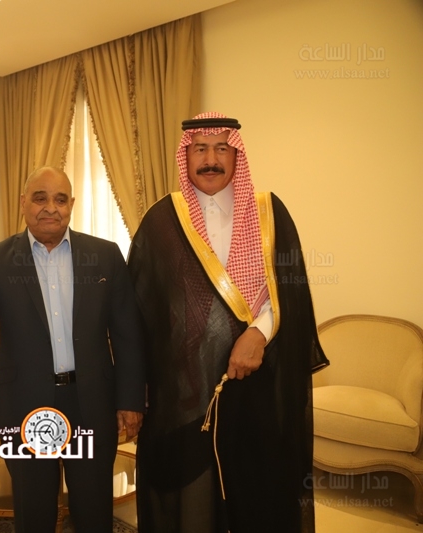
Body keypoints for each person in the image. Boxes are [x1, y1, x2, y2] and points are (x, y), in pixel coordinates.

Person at [128, 112, 330, 533]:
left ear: (237, 155)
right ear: (186, 156)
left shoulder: (269, 213)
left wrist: (258, 332)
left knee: (258, 489)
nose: (211, 160)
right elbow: (139, 309)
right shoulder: (161, 221)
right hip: (185, 392)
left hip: (258, 383)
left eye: (222, 148)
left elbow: (290, 291)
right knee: (194, 497)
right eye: (200, 149)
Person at [0, 166, 146, 533]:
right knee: (34, 513)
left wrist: (130, 400)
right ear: (23, 203)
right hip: (25, 406)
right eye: (40, 198)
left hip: (91, 405)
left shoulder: (105, 255)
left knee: (93, 510)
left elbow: (128, 333)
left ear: (72, 204)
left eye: (60, 199)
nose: (50, 207)